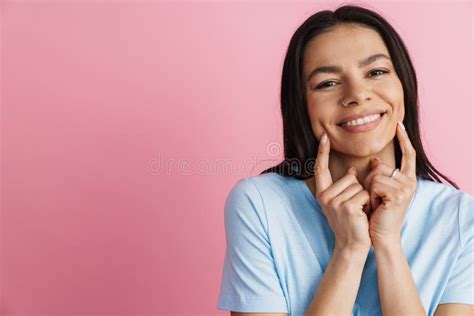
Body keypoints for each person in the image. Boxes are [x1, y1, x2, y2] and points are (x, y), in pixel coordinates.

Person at [216, 4, 474, 316]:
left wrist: (389, 243)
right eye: (328, 82)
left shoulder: (460, 218)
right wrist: (349, 250)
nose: (357, 94)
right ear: (302, 105)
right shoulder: (260, 204)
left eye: (376, 72)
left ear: (403, 84)